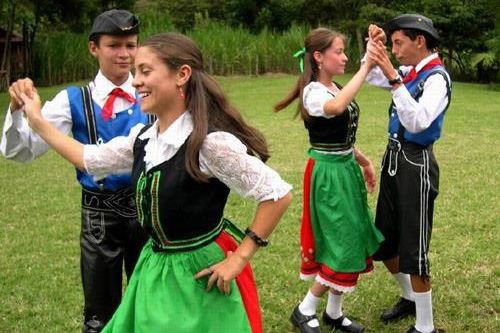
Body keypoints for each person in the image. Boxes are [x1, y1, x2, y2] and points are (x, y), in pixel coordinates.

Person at [17, 32, 293, 333]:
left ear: (182, 75)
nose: (135, 81)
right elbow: (88, 157)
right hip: (155, 265)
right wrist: (38, 121)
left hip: (198, 272)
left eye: (145, 71)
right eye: (136, 72)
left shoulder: (209, 144)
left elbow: (277, 193)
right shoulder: (145, 138)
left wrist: (239, 257)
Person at [0, 9, 151, 332]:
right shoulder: (73, 100)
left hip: (148, 211)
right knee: (100, 315)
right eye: (114, 45)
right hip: (99, 218)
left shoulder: (151, 92)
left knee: (151, 305)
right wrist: (16, 112)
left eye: (131, 45)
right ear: (93, 48)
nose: (124, 54)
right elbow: (19, 151)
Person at [274, 27, 384, 333]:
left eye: (346, 51)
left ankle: (334, 312)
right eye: (339, 51)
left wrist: (363, 160)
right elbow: (335, 110)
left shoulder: (335, 86)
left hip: (345, 168)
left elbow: (340, 135)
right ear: (319, 57)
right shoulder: (313, 92)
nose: (345, 57)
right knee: (341, 241)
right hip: (328, 175)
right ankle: (304, 308)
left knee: (354, 235)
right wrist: (366, 66)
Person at [365, 14, 452, 333]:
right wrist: (373, 49)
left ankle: (426, 327)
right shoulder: (408, 70)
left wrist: (392, 75)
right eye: (390, 43)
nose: (394, 49)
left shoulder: (436, 78)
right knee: (384, 243)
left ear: (420, 40)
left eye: (397, 42)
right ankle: (410, 298)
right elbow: (373, 76)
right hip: (393, 158)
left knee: (414, 248)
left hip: (416, 163)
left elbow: (418, 122)